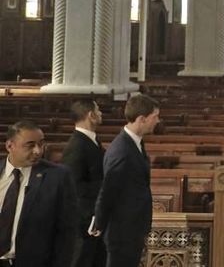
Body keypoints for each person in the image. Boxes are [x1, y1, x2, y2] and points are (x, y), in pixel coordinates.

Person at [92, 93, 161, 267]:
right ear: (142, 119)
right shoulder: (122, 151)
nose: (158, 121)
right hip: (122, 232)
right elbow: (108, 190)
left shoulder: (135, 143)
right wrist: (98, 222)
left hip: (131, 229)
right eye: (155, 117)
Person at [1, 121, 77, 266]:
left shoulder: (58, 177)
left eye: (41, 144)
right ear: (10, 146)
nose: (38, 151)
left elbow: (67, 232)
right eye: (30, 145)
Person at [63, 99, 106, 267]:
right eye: (98, 109)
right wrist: (90, 219)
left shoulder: (91, 140)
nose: (101, 113)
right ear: (91, 115)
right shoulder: (77, 145)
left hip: (95, 218)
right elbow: (73, 186)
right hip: (85, 224)